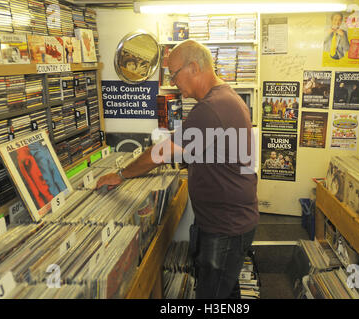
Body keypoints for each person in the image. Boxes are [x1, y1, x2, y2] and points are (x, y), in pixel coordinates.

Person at [95, 39, 259, 299]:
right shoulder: (224, 99)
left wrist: (122, 174)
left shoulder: (211, 107)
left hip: (225, 227)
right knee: (226, 293)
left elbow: (164, 152)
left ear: (194, 67)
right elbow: (190, 147)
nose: (172, 82)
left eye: (174, 74)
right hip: (229, 222)